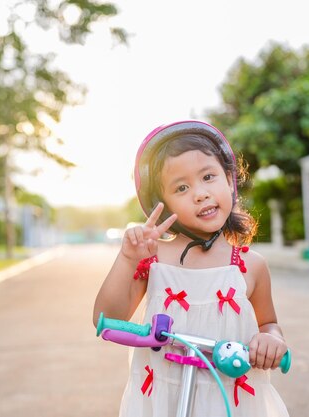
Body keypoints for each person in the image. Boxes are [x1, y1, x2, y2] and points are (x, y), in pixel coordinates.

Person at [93, 120, 289, 416]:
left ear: (228, 180)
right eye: (181, 187)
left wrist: (272, 340)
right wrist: (128, 259)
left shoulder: (251, 266)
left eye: (208, 177)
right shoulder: (153, 257)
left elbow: (268, 323)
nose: (200, 193)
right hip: (165, 398)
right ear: (164, 204)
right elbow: (107, 317)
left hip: (233, 401)